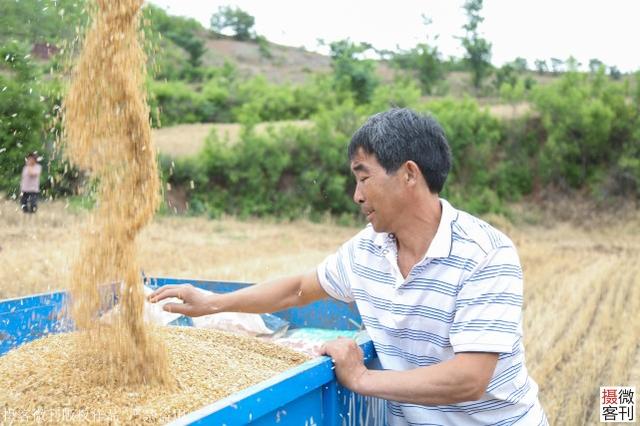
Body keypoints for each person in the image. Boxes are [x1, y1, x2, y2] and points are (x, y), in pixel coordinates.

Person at [149, 108, 548, 425]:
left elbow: (469, 378)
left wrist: (362, 378)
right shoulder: (367, 250)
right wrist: (213, 302)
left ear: (409, 174)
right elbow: (298, 289)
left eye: (364, 178)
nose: (356, 196)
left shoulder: (486, 254)